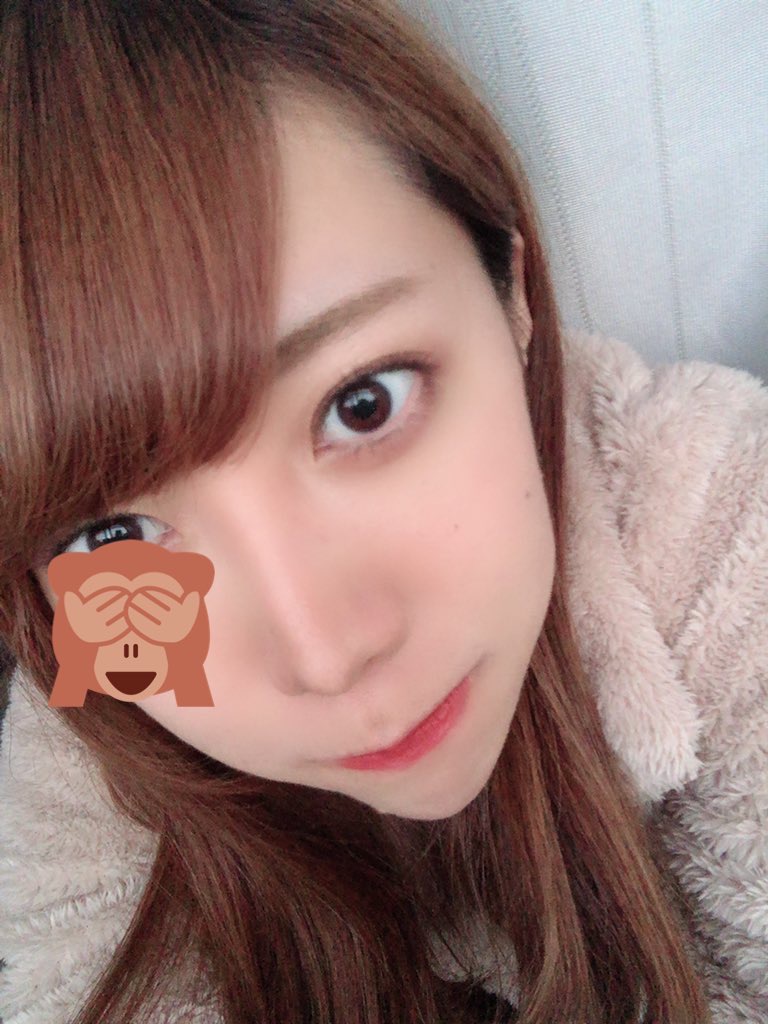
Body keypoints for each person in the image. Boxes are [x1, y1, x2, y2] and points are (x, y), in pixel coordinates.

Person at [0, 2, 765, 1022]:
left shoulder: (719, 520)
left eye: (362, 404)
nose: (325, 656)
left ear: (513, 292)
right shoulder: (85, 740)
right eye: (112, 535)